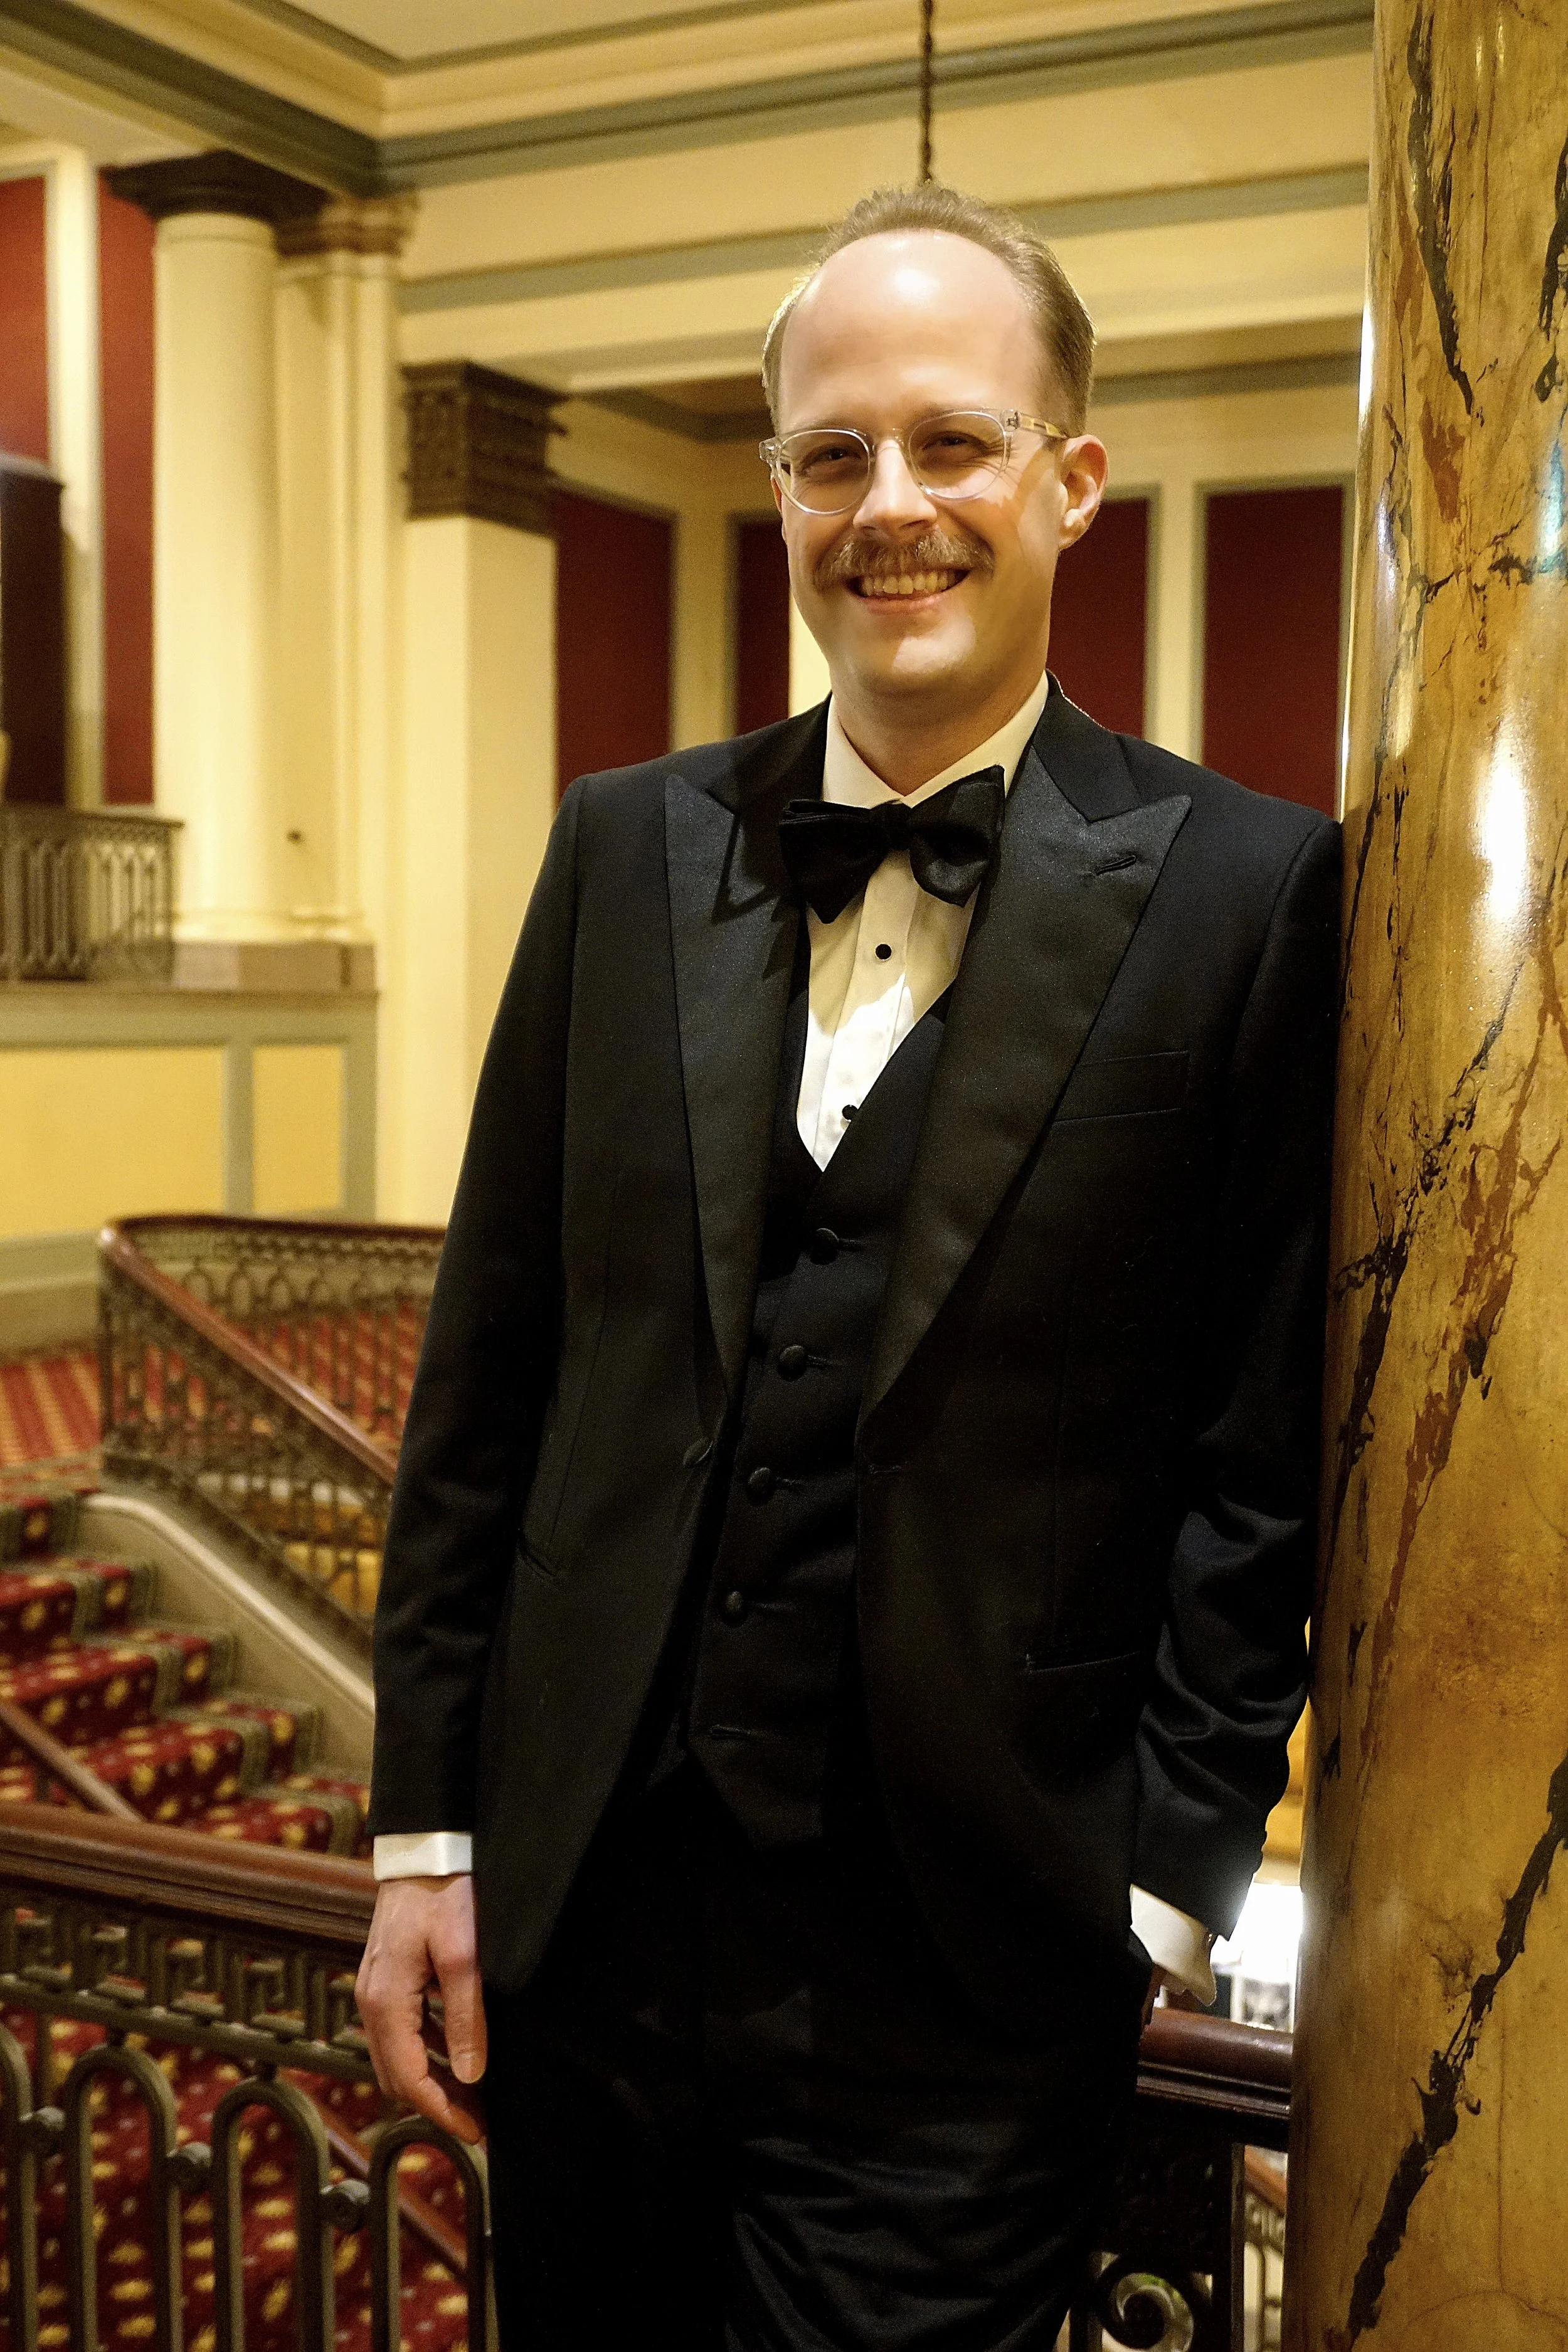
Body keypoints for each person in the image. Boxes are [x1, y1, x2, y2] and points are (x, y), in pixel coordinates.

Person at [358, 182, 1340, 2351]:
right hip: (590, 1934)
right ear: (782, 486)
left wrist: (1164, 1886)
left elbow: (1260, 1445)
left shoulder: (1251, 893)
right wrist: (427, 1831)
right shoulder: (623, 845)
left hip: (973, 1983)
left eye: (951, 442)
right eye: (830, 453)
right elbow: (491, 1365)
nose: (886, 505)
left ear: (1070, 480)